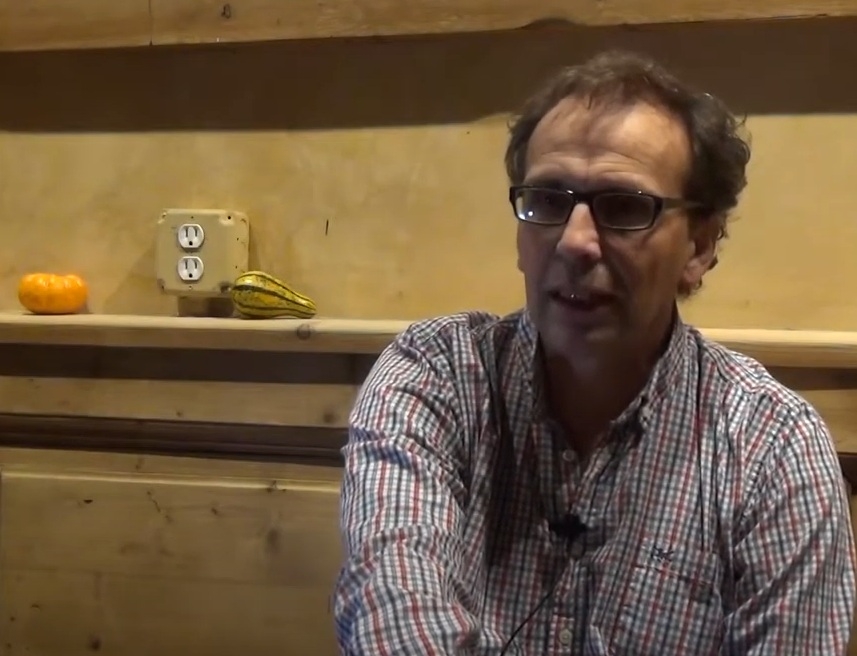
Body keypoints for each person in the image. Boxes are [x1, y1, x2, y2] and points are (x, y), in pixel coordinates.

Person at [332, 50, 857, 655]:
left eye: (625, 207)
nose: (575, 242)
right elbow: (393, 605)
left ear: (699, 247)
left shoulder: (774, 448)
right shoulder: (438, 376)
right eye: (548, 201)